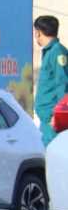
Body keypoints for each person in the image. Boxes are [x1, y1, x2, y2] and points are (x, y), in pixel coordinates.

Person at [33, 15, 68, 146]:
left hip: (53, 119)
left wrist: (59, 116)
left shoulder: (57, 52)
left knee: (53, 159)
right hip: (47, 119)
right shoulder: (50, 52)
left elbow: (63, 85)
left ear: (38, 32)